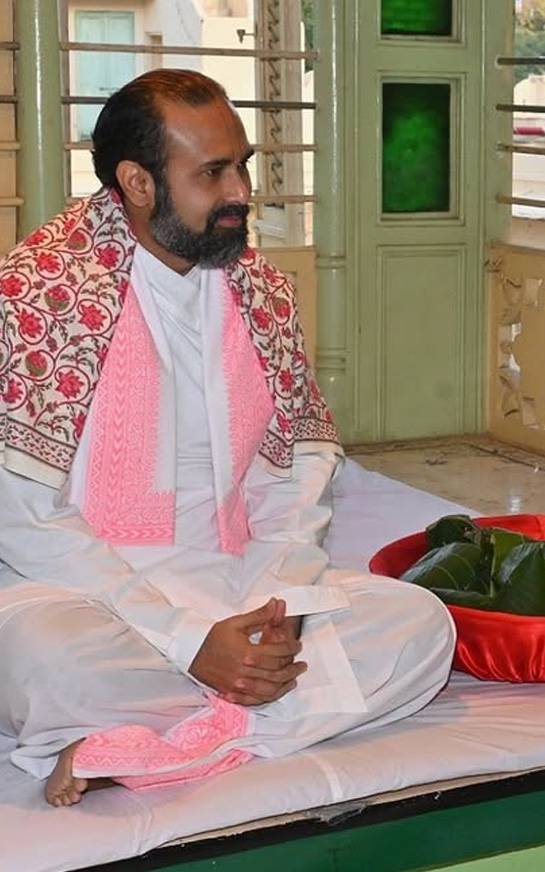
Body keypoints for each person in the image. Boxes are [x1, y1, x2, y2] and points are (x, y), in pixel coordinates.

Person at [0, 69, 455, 807]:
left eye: (241, 164)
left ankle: (164, 749)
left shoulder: (261, 292)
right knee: (48, 664)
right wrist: (188, 641)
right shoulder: (41, 295)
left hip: (236, 586)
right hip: (87, 601)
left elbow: (297, 476)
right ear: (137, 182)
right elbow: (23, 519)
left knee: (420, 627)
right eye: (213, 172)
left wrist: (281, 610)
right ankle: (248, 715)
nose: (242, 190)